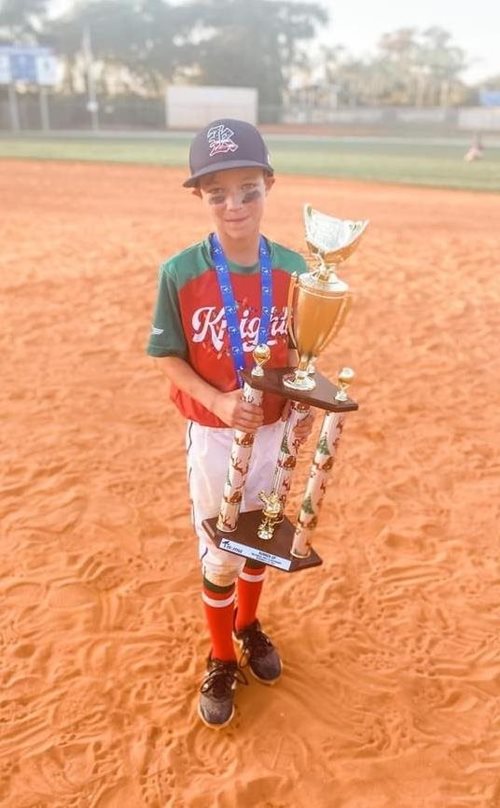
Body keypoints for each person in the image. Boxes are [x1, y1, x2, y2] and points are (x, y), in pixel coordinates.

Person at [146, 118, 314, 728]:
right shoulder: (182, 272)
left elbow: (304, 352)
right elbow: (166, 355)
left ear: (270, 184)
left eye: (249, 187)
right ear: (200, 197)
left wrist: (301, 404)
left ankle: (248, 623)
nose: (235, 204)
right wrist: (216, 403)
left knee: (260, 541)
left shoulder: (297, 269)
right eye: (218, 192)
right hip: (216, 436)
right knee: (220, 548)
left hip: (273, 432)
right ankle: (221, 655)